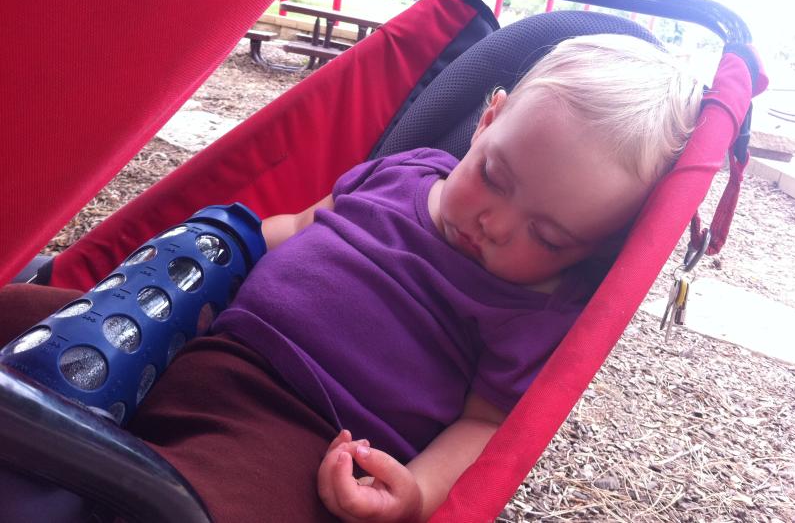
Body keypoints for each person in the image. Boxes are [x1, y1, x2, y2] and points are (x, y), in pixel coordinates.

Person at [0, 33, 702, 522]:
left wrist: (417, 494)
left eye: (547, 237)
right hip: (197, 330)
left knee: (204, 508)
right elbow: (300, 227)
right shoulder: (406, 171)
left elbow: (487, 427)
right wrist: (207, 255)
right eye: (493, 175)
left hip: (299, 431)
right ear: (487, 120)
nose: (496, 223)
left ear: (588, 252)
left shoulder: (534, 308)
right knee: (23, 310)